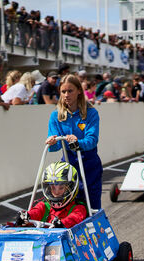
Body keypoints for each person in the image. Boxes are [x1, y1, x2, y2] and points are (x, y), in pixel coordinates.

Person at [45, 74, 103, 210]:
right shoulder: (56, 115)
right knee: (69, 207)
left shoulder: (91, 113)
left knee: (92, 207)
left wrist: (77, 142)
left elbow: (92, 140)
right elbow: (56, 145)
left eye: (70, 91)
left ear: (78, 91)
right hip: (68, 166)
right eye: (63, 91)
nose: (66, 95)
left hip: (90, 166)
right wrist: (52, 142)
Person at [15, 161, 87, 228]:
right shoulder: (45, 206)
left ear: (70, 188)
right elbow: (36, 212)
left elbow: (74, 218)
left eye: (61, 188)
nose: (56, 192)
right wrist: (26, 216)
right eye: (53, 187)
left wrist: (61, 224)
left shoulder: (79, 208)